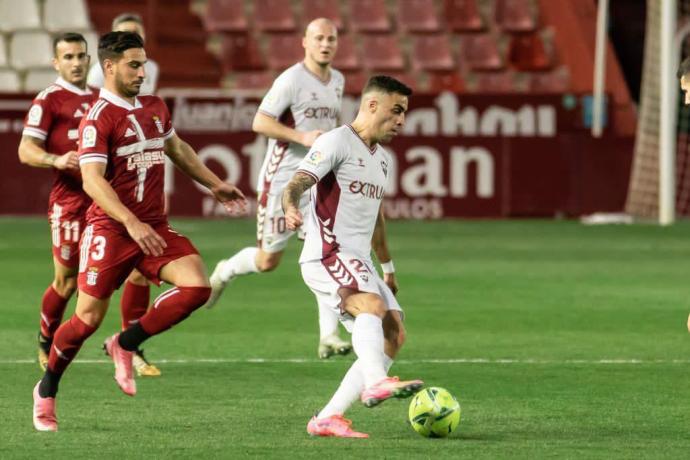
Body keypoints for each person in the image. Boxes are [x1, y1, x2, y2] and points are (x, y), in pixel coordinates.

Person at [31, 31, 246, 432]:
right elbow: (93, 180)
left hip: (153, 227)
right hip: (111, 230)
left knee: (197, 287)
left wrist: (213, 183)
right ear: (109, 66)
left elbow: (177, 149)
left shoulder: (154, 105)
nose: (142, 72)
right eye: (134, 64)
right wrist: (130, 221)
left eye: (144, 63)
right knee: (86, 319)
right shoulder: (98, 118)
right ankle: (46, 390)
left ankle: (125, 343)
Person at [281, 75, 423, 438]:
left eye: (404, 113)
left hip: (359, 259)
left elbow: (376, 218)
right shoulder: (336, 141)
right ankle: (376, 381)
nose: (401, 121)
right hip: (328, 253)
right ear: (372, 105)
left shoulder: (383, 160)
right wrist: (290, 207)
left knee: (394, 332)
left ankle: (327, 417)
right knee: (370, 306)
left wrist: (387, 266)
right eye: (396, 111)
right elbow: (296, 182)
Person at [207, 18, 351, 359]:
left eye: (331, 39)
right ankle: (225, 271)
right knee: (268, 259)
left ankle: (328, 335)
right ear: (305, 42)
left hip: (315, 179)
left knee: (324, 254)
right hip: (282, 178)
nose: (325, 44)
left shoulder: (339, 80)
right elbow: (260, 121)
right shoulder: (291, 79)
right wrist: (301, 137)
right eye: (318, 38)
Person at [88, 12, 162, 377]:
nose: (141, 72)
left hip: (139, 189)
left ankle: (130, 346)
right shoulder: (100, 88)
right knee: (78, 287)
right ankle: (54, 345)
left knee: (140, 274)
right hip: (98, 182)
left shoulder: (148, 76)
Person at [18, 32, 98, 372]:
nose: (76, 63)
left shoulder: (99, 98)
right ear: (56, 62)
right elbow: (25, 150)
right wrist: (56, 160)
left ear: (89, 59)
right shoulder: (48, 100)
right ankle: (45, 338)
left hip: (101, 201)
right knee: (65, 281)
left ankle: (70, 342)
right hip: (69, 204)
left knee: (94, 280)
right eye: (68, 57)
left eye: (81, 56)